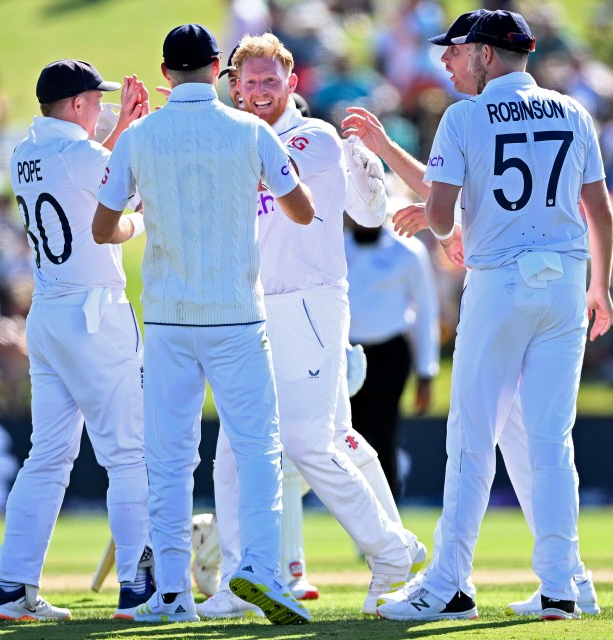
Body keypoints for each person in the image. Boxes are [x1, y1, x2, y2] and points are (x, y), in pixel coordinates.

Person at [344, 8, 602, 618]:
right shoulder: (575, 110)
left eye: (456, 51)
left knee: (470, 439)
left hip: (502, 284)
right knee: (543, 441)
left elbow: (439, 213)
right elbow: (601, 209)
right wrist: (605, 288)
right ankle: (566, 584)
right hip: (567, 281)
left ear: (486, 54)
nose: (445, 61)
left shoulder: (464, 116)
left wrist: (439, 226)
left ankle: (452, 584)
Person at [94, 23, 314, 625]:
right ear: (220, 68)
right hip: (238, 316)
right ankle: (262, 571)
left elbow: (101, 228)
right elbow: (303, 211)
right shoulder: (249, 130)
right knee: (257, 450)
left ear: (166, 73)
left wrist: (141, 220)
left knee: (168, 459)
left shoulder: (139, 136)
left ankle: (171, 594)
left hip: (168, 319)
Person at [189, 43, 424, 609]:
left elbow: (264, 185)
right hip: (256, 308)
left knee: (307, 443)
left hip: (310, 305)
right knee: (240, 450)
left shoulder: (313, 137)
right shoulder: (239, 137)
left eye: (272, 78)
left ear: (291, 80)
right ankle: (241, 583)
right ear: (234, 86)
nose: (261, 90)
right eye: (250, 82)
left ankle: (392, 553)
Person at [0, 58, 154, 622]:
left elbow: (91, 181)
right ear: (78, 104)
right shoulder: (83, 155)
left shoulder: (24, 153)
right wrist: (140, 221)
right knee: (128, 453)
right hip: (95, 313)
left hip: (49, 314)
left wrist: (120, 130)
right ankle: (137, 586)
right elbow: (120, 206)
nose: (103, 108)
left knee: (47, 456)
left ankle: (11, 586)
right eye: (98, 101)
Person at [344, 218, 439, 499]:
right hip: (346, 354)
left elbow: (426, 312)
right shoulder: (333, 248)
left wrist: (426, 373)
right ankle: (359, 518)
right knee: (350, 437)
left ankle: (389, 516)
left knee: (383, 434)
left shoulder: (407, 251)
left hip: (390, 353)